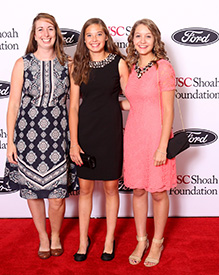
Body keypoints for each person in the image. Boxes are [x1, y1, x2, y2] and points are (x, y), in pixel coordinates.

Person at [3, 13, 77, 260]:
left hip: (58, 136)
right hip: (27, 135)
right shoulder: (22, 63)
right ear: (33, 35)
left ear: (56, 33)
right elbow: (13, 105)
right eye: (40, 30)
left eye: (50, 29)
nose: (45, 34)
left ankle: (55, 234)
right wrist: (10, 141)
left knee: (57, 197)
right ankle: (43, 237)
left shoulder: (69, 64)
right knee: (32, 192)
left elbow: (75, 105)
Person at [69, 18, 129, 262]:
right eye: (89, 35)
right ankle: (83, 240)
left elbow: (130, 98)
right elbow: (73, 106)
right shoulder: (78, 65)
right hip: (86, 131)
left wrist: (134, 106)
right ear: (84, 40)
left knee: (111, 187)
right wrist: (74, 142)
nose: (94, 39)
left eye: (98, 34)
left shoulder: (119, 63)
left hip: (110, 131)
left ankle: (109, 239)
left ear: (106, 37)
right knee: (85, 188)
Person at [122, 19, 177, 267]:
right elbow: (133, 104)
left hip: (157, 137)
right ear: (132, 40)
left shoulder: (163, 68)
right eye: (137, 36)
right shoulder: (132, 67)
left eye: (147, 36)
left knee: (157, 191)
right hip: (134, 137)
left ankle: (157, 241)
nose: (142, 41)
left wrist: (162, 146)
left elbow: (168, 111)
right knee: (138, 190)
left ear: (155, 39)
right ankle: (141, 239)